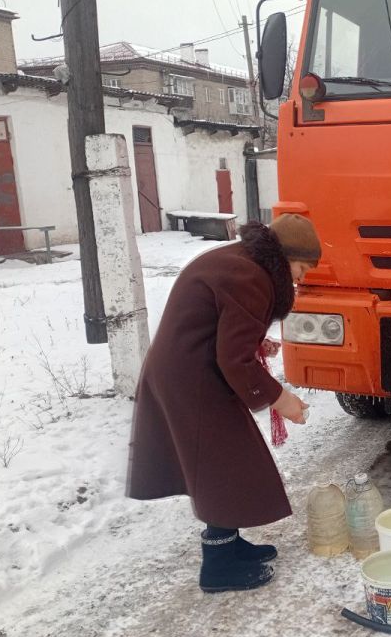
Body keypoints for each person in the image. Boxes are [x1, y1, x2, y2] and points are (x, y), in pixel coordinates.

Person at [126, 214, 322, 593]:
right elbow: (234, 359)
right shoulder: (251, 276)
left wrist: (257, 341)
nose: (299, 280)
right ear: (284, 257)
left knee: (226, 460)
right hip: (192, 377)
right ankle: (218, 566)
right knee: (220, 464)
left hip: (191, 367)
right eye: (300, 269)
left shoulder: (245, 261)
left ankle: (229, 544)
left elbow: (224, 326)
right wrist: (281, 399)